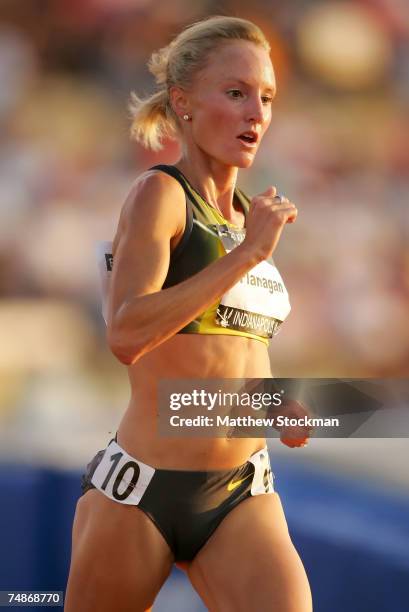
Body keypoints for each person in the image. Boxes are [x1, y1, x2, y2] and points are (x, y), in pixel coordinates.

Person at [65, 15, 313, 612]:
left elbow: (231, 349)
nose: (256, 112)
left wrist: (275, 400)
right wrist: (251, 253)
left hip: (241, 490)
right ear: (184, 103)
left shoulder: (250, 213)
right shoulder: (162, 195)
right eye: (235, 93)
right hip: (142, 491)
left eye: (267, 97)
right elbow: (127, 333)